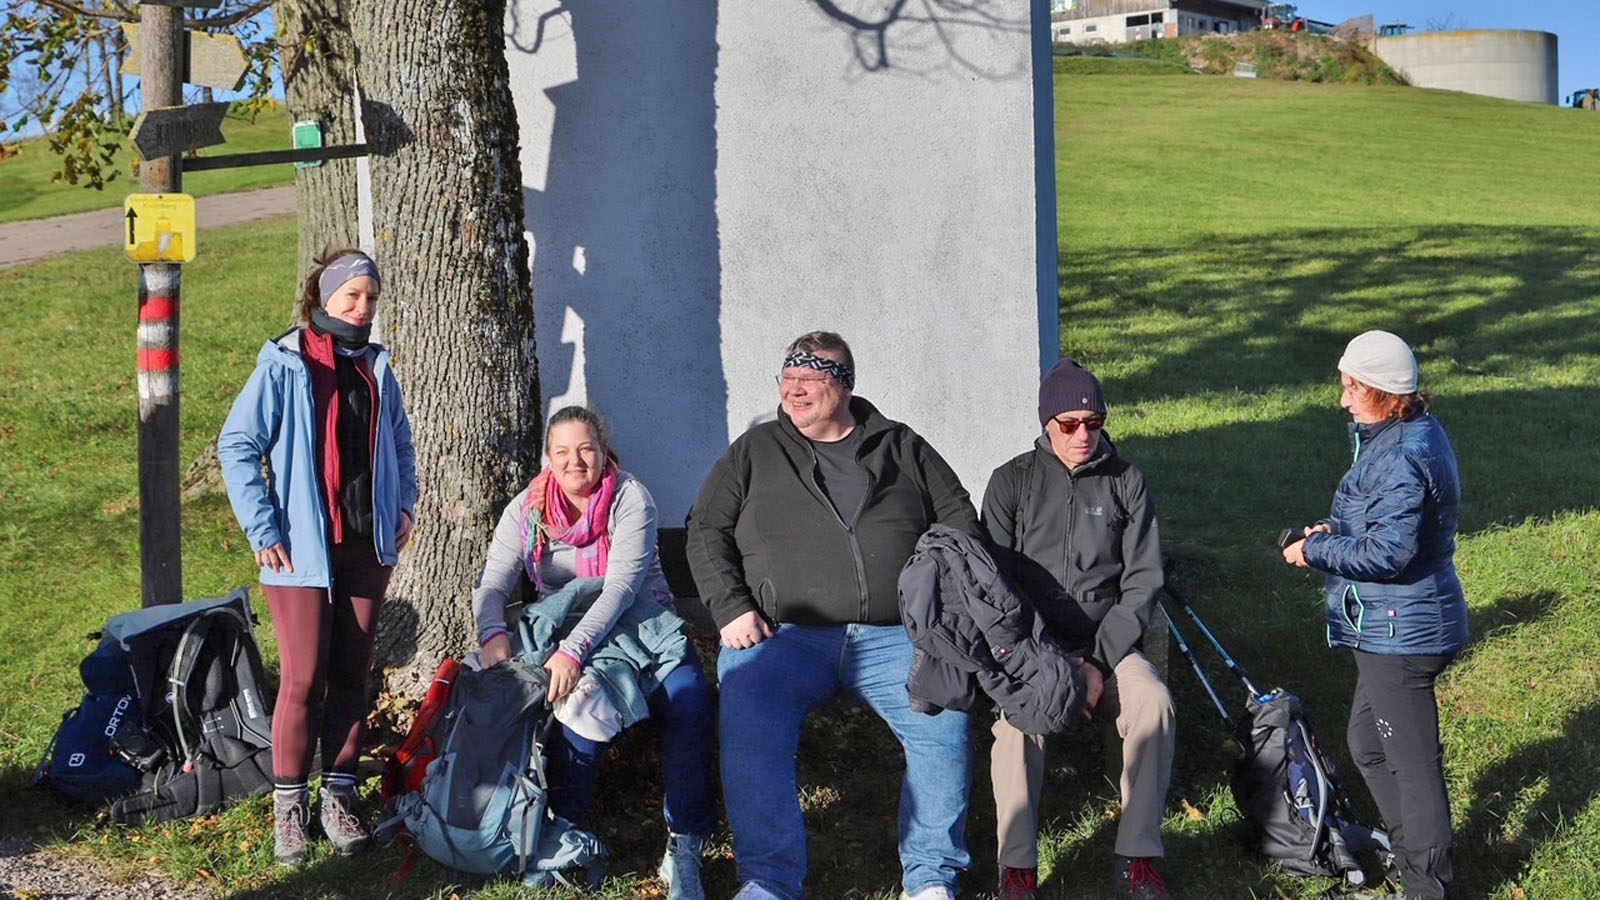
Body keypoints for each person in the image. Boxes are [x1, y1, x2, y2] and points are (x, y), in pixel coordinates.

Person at [686, 331, 981, 900]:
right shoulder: (755, 451)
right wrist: (731, 607)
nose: (794, 392)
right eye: (788, 381)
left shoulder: (901, 445)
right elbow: (704, 529)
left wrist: (940, 606)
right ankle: (768, 882)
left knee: (942, 725)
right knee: (750, 721)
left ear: (844, 386)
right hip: (785, 635)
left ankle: (930, 879)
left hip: (898, 635)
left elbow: (959, 521)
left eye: (811, 382)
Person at [218, 249, 418, 866]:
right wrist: (262, 527)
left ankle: (337, 797)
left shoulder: (376, 368)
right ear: (322, 299)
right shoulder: (285, 363)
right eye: (351, 296)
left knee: (352, 673)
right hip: (298, 552)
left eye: (371, 298)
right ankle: (288, 809)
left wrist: (404, 505)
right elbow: (237, 443)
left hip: (366, 546)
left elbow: (403, 444)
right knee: (302, 679)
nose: (362, 309)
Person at [471, 405, 716, 900]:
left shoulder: (630, 498)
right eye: (561, 451)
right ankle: (562, 828)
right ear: (547, 457)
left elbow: (622, 588)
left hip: (645, 627)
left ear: (604, 452)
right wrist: (492, 630)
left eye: (585, 449)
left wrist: (573, 652)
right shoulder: (528, 507)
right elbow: (493, 579)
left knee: (689, 700)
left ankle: (685, 844)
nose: (574, 461)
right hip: (566, 632)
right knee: (578, 703)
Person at [979, 359, 1176, 900]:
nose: (1083, 436)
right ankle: (1017, 871)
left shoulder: (1127, 482)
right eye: (1069, 425)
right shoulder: (1010, 481)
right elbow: (996, 585)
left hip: (1108, 645)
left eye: (1093, 423)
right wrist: (1049, 661)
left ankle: (1139, 859)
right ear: (1047, 424)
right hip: (1034, 649)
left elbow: (1142, 580)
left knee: (1153, 702)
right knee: (1017, 727)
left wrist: (1095, 661)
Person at [1282, 330, 1466, 900]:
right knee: (1366, 741)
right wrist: (1336, 531)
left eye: (1353, 389)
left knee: (1414, 767)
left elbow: (1390, 552)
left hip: (1402, 632)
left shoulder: (1405, 453)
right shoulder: (1396, 435)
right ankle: (1413, 855)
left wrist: (1313, 551)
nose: (1343, 400)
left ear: (1387, 394)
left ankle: (1426, 886)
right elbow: (1386, 527)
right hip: (1394, 623)